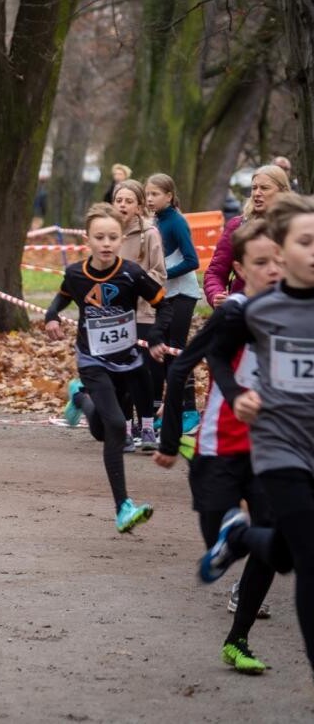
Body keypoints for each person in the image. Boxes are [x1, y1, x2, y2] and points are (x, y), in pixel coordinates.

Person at [154, 218, 285, 674]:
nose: (272, 270)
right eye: (261, 263)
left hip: (270, 449)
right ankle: (232, 533)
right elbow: (183, 367)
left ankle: (238, 640)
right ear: (241, 270)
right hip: (219, 448)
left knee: (273, 542)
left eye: (278, 260)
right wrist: (170, 439)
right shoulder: (233, 313)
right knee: (218, 542)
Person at [207, 192, 314, 675]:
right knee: (308, 555)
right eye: (305, 242)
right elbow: (214, 354)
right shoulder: (257, 309)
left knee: (285, 551)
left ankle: (243, 537)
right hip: (278, 448)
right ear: (282, 249)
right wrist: (234, 394)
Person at [46, 203, 171, 533]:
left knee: (102, 430)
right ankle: (123, 508)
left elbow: (164, 305)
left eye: (113, 237)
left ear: (121, 239)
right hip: (92, 361)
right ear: (87, 239)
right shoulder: (75, 273)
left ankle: (79, 398)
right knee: (116, 426)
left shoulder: (132, 273)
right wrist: (51, 315)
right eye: (99, 237)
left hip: (128, 363)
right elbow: (62, 297)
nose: (106, 243)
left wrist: (156, 335)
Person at [111, 179, 165, 450]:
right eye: (118, 200)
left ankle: (147, 428)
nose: (122, 205)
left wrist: (135, 281)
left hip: (143, 313)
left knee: (140, 373)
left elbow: (160, 273)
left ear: (140, 206)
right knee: (119, 374)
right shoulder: (108, 233)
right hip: (113, 316)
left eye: (128, 201)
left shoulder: (150, 234)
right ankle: (125, 428)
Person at [145, 173, 202, 431]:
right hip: (164, 296)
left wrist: (163, 275)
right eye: (147, 194)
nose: (149, 199)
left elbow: (192, 260)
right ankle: (170, 410)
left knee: (176, 351)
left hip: (182, 294)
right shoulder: (155, 220)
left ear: (169, 196)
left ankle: (189, 410)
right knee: (164, 353)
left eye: (155, 194)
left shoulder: (177, 221)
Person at [203, 165, 291, 308]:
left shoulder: (296, 226)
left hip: (287, 309)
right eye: (254, 188)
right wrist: (216, 295)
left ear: (283, 192)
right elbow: (215, 272)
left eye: (264, 188)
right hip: (244, 309)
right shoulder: (237, 226)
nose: (257, 193)